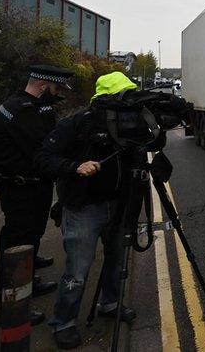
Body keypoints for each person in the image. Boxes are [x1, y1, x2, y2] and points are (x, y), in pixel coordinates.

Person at [36, 72, 139, 349]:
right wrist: (75, 167)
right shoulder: (77, 123)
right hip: (83, 209)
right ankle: (64, 322)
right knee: (77, 271)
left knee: (116, 262)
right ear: (105, 99)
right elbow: (44, 157)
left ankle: (110, 303)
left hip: (117, 205)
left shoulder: (126, 126)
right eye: (121, 97)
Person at [0, 64, 72, 326]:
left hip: (27, 186)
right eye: (56, 89)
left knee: (30, 236)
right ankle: (11, 309)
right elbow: (45, 148)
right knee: (18, 242)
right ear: (42, 86)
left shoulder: (20, 104)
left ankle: (27, 278)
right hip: (22, 188)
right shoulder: (25, 113)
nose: (58, 95)